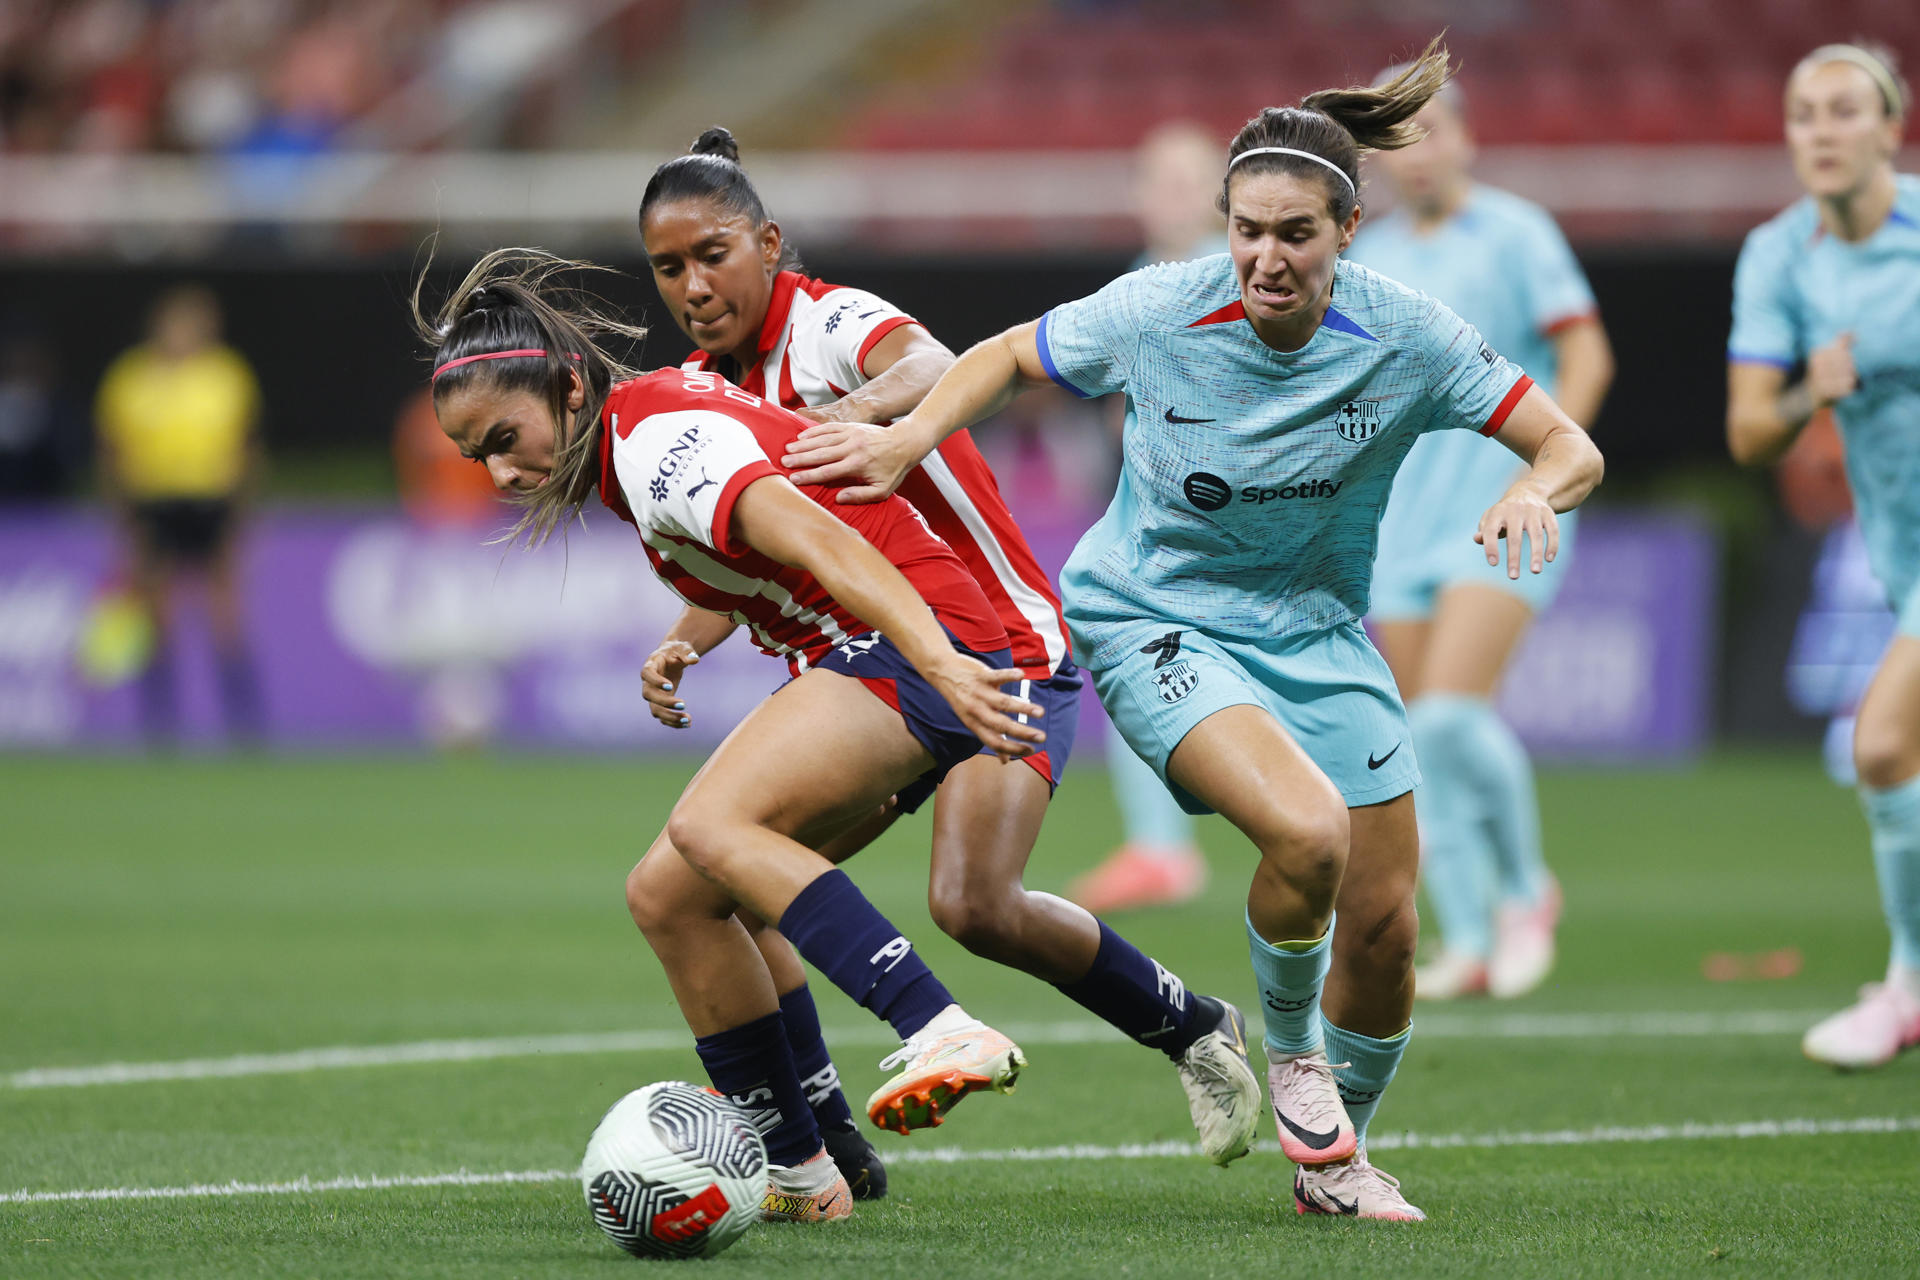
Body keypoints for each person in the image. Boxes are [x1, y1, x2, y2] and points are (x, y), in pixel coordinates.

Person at [784, 41, 1604, 1220]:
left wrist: (1535, 489)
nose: (1268, 258)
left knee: (1384, 924)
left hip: (1316, 627)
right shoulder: (1160, 305)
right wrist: (907, 439)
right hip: (1152, 610)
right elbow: (1012, 353)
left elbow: (1571, 443)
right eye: (1249, 230)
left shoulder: (1413, 334)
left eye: (1297, 235)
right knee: (1307, 834)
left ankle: (1339, 1159)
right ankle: (1290, 1058)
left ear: (1349, 230)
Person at [633, 129, 1262, 1198]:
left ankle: (1195, 1027)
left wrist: (861, 417)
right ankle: (827, 1143)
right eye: (669, 267)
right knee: (737, 874)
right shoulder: (700, 386)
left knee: (975, 901)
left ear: (770, 242)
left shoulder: (829, 321)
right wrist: (687, 639)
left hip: (998, 642)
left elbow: (932, 365)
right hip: (875, 663)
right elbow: (757, 543)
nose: (695, 285)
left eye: (714, 253)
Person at [416, 247, 1045, 1223]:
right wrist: (685, 640)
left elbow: (822, 538)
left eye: (506, 435)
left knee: (714, 827)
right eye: (477, 457)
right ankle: (806, 1168)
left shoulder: (655, 447)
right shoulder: (639, 436)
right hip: (898, 640)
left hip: (915, 636)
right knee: (672, 893)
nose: (502, 471)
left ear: (570, 387)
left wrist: (947, 660)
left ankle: (938, 1023)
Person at [1349, 70, 1615, 999]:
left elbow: (1586, 352)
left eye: (1430, 132)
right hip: (1400, 523)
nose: (1417, 153)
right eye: (1399, 141)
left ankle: (1526, 891)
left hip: (1504, 512)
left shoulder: (1516, 233)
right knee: (1418, 744)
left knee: (1454, 715)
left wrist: (1542, 470)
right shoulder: (1370, 255)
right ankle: (1465, 935)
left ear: (1464, 139)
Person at [1726, 42, 1920, 1071]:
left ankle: (1907, 990)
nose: (1824, 130)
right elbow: (1752, 429)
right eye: (1805, 113)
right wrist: (1814, 389)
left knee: (1884, 743)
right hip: (1901, 549)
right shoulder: (1779, 256)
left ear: (1891, 126)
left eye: (1847, 110)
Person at [1069, 120, 1227, 915]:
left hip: (1241, 527)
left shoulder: (1246, 274)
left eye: (1188, 179)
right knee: (1129, 660)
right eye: (1159, 180)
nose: (1173, 196)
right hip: (1163, 526)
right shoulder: (1138, 278)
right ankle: (1159, 849)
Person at [94, 285, 264, 745]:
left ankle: (245, 726)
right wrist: (124, 516)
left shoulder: (227, 375)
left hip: (212, 502)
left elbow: (248, 449)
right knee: (157, 617)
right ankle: (160, 725)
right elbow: (111, 452)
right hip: (154, 503)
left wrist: (240, 514)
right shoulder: (130, 378)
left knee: (225, 615)